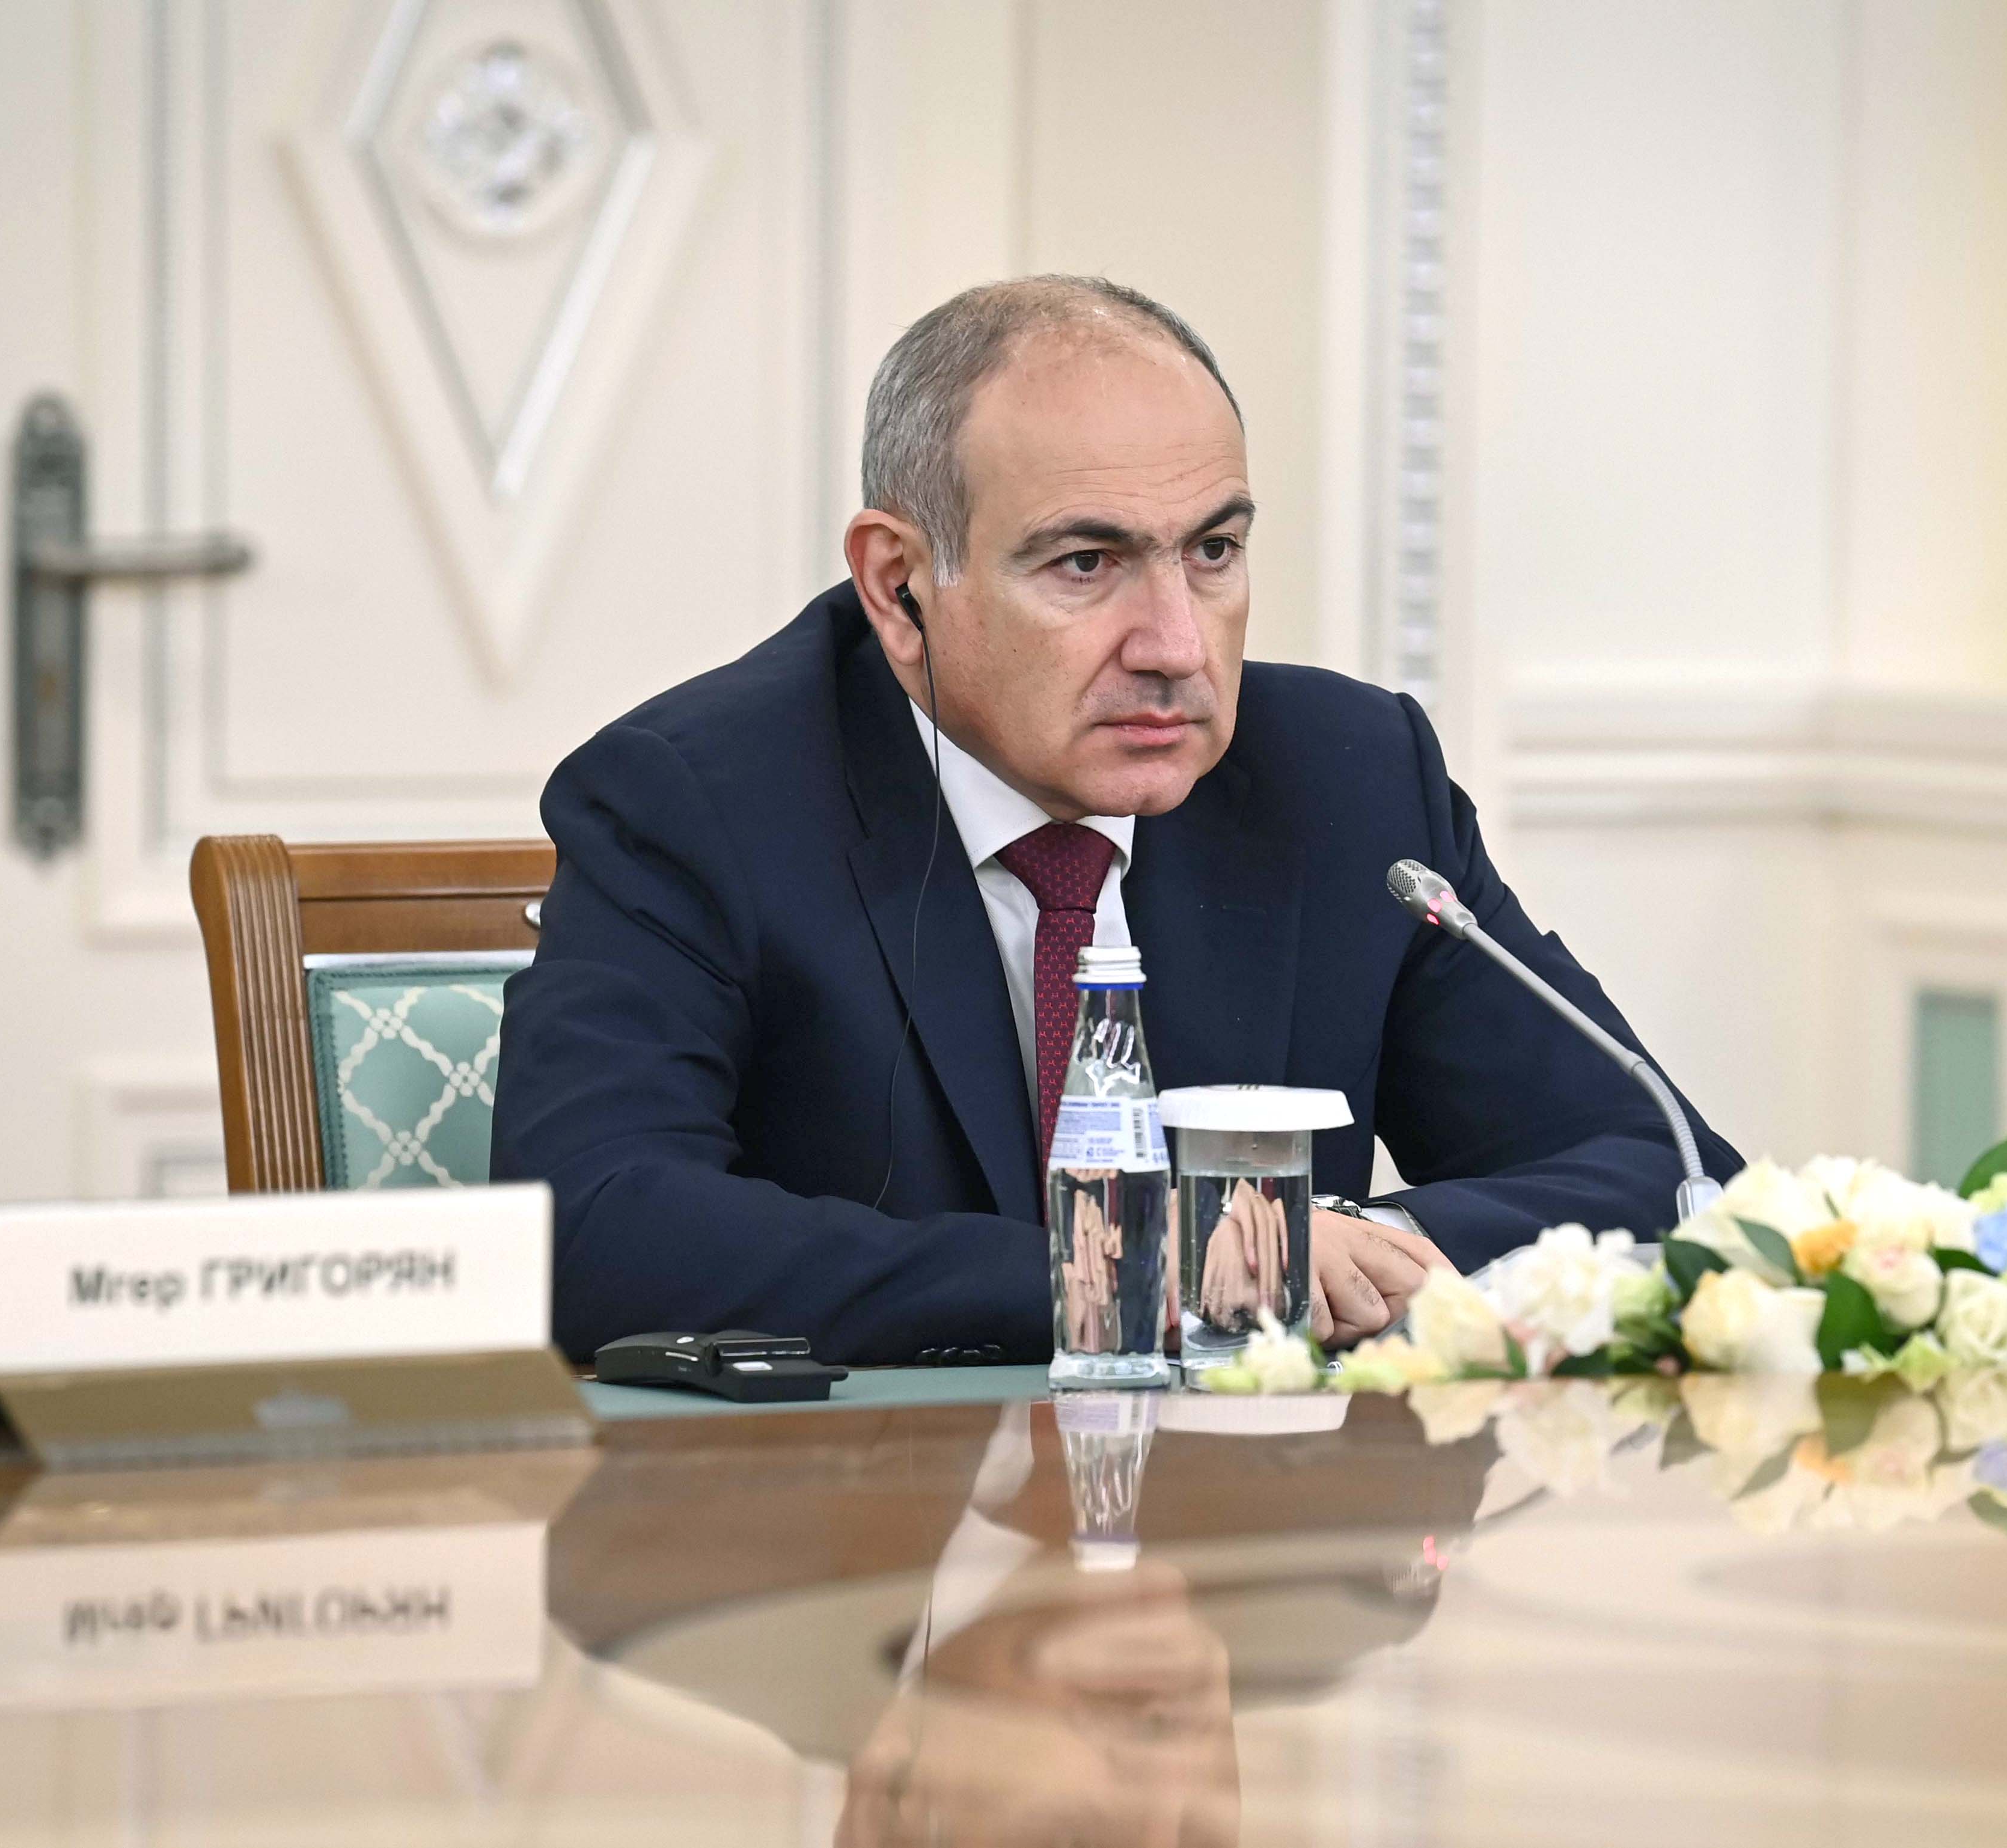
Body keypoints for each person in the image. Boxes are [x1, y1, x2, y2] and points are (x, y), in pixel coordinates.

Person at [492, 275, 1741, 1366]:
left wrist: (1346, 1246)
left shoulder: (1348, 780)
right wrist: (1143, 1269)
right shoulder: (696, 801)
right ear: (899, 585)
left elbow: (1670, 1170)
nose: (1175, 646)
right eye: (1085, 564)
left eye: (1214, 551)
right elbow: (588, 1230)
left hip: (1260, 1536)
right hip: (869, 1536)